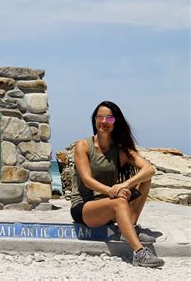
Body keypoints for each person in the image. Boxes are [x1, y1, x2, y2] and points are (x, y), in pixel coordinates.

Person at [70, 101, 164, 268]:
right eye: (100, 117)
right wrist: (113, 192)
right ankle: (139, 253)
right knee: (120, 201)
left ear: (115, 123)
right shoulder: (83, 146)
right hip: (85, 208)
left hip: (111, 204)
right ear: (94, 120)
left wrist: (125, 185)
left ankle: (129, 228)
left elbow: (149, 170)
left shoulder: (120, 149)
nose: (104, 121)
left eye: (109, 118)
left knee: (145, 180)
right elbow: (87, 180)